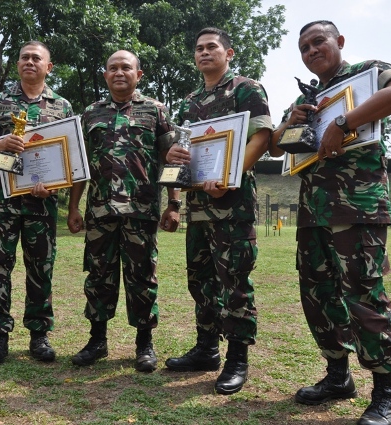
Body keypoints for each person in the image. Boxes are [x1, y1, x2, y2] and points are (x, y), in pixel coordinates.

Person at [269, 21, 391, 425]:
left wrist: (342, 122)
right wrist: (292, 120)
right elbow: (277, 143)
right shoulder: (307, 96)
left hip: (358, 207)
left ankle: (386, 394)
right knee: (318, 295)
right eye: (304, 48)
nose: (312, 51)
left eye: (319, 42)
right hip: (313, 211)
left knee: (364, 296)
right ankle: (337, 376)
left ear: (339, 42)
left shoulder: (366, 73)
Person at [163, 27, 272, 395]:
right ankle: (207, 348)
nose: (204, 53)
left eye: (212, 47)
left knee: (235, 282)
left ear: (229, 52)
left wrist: (231, 174)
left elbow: (263, 137)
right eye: (198, 49)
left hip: (233, 204)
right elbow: (182, 151)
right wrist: (174, 161)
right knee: (201, 279)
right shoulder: (190, 102)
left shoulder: (246, 89)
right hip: (198, 205)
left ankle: (237, 359)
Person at [67, 50, 180, 373]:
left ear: (138, 74)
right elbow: (80, 166)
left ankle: (144, 344)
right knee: (98, 276)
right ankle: (97, 341)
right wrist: (74, 206)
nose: (119, 72)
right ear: (105, 75)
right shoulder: (90, 113)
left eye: (126, 67)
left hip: (141, 211)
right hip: (100, 211)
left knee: (142, 277)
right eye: (113, 68)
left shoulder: (155, 111)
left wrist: (174, 204)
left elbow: (172, 158)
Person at [0, 40, 74, 365]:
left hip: (42, 202)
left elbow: (69, 157)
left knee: (41, 268)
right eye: (24, 57)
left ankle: (39, 335)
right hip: (2, 201)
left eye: (36, 58)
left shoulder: (62, 107)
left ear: (48, 67)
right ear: (17, 64)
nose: (30, 62)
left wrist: (54, 186)